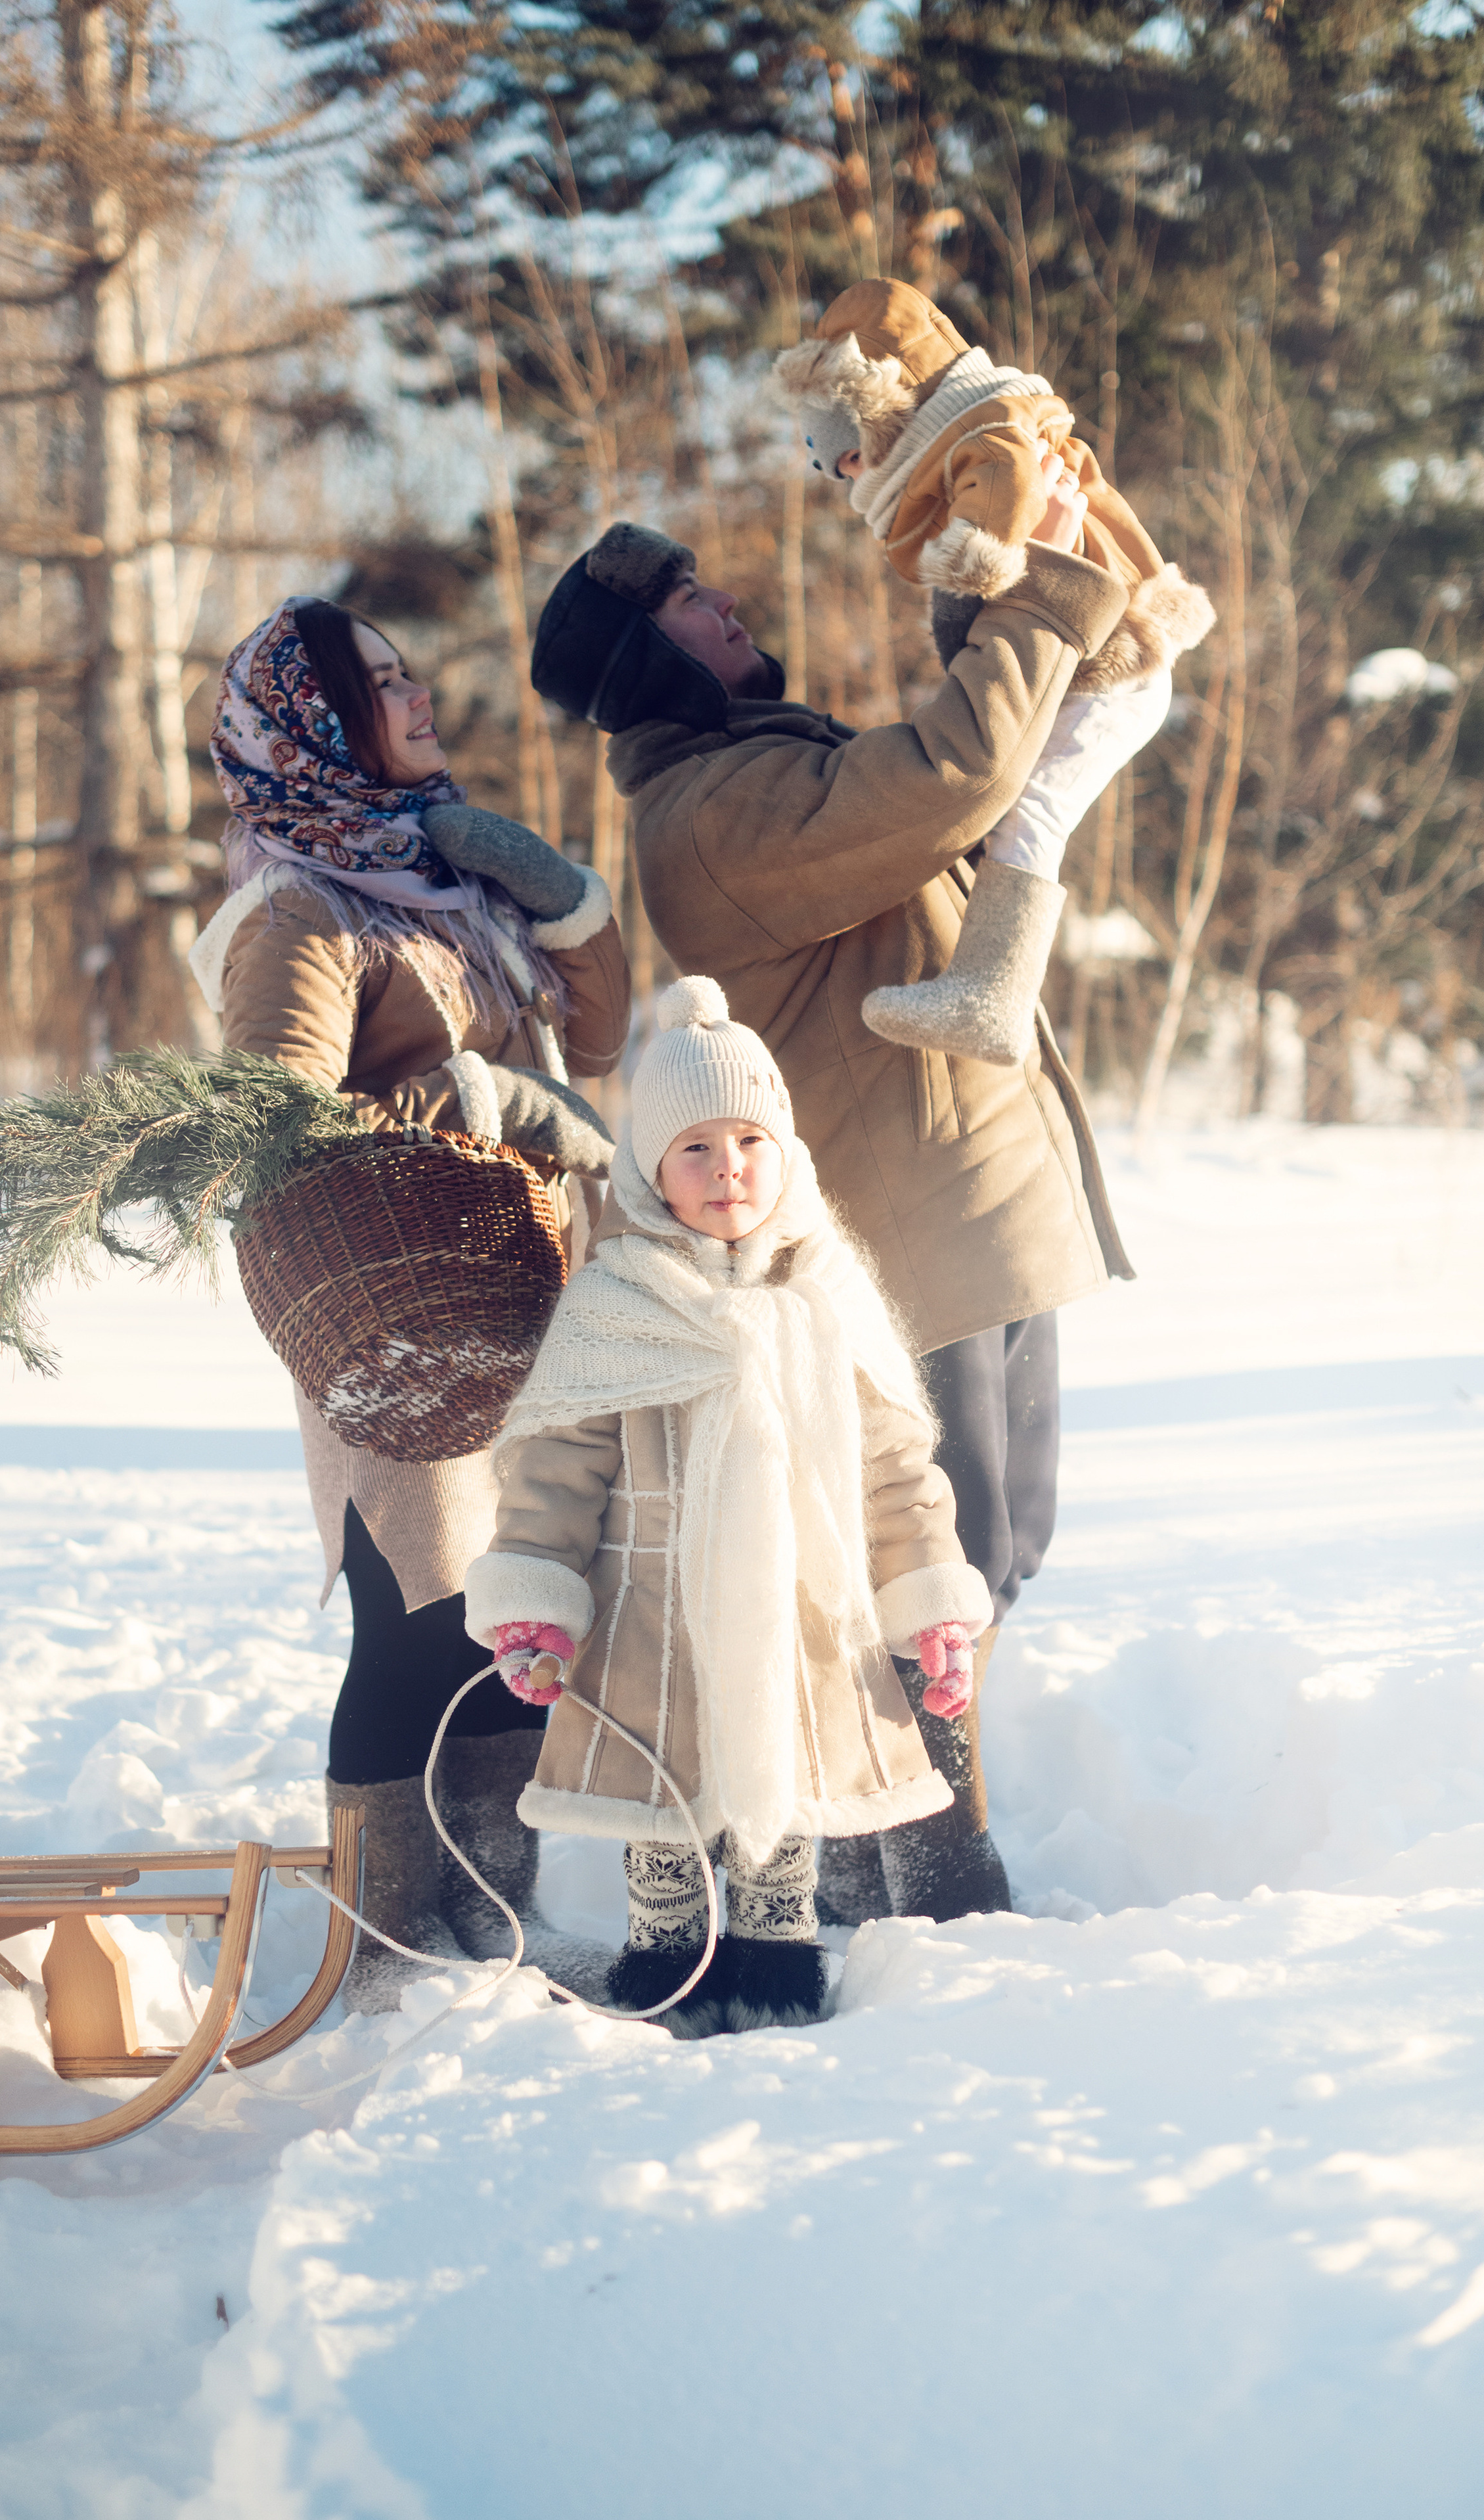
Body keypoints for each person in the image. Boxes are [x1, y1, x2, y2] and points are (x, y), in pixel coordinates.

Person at [529, 492, 1134, 1933]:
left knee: (1000, 1546)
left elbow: (952, 814)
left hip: (978, 1196)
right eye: (682, 602)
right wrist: (1039, 602)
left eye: (704, 585)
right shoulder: (711, 815)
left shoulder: (756, 763)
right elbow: (944, 779)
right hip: (915, 1225)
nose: (719, 602)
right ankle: (920, 1871)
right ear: (641, 662)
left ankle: (887, 1849)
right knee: (936, 1560)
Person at [187, 595, 630, 2009]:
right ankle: (378, 1933)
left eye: (406, 665)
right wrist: (471, 1096)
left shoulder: (440, 876)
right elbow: (274, 1120)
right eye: (375, 682)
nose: (413, 690)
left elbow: (603, 1038)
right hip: (397, 1306)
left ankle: (485, 1905)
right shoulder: (300, 909)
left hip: (529, 1294)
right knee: (416, 1620)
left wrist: (562, 900)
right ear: (314, 729)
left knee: (513, 1606)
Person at [462, 979, 993, 2035]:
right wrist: (534, 1598)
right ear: (653, 1172)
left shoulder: (828, 1294)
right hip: (653, 1606)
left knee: (781, 1776)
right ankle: (666, 1953)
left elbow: (893, 1467)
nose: (728, 1168)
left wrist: (927, 1598)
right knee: (665, 1788)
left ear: (784, 1151)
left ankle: (774, 1951)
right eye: (695, 1148)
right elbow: (557, 1471)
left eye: (750, 1138)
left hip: (799, 1603)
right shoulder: (617, 1303)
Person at [771, 277, 1212, 1065]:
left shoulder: (989, 434)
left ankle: (992, 996)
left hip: (1113, 674)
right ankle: (976, 969)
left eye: (842, 454)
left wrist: (975, 568)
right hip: (1096, 664)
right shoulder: (969, 435)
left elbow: (1005, 495)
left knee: (1031, 811)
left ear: (881, 418)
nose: (840, 477)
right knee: (1008, 800)